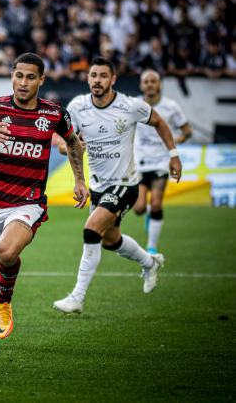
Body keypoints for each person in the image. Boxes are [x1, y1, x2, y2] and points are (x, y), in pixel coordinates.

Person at [0, 53, 89, 347]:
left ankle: (4, 303)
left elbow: (72, 142)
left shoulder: (54, 113)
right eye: (18, 75)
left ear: (41, 80)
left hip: (28, 201)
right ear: (12, 76)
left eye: (31, 77)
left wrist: (80, 180)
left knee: (6, 252)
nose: (23, 82)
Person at [53, 57, 182, 315]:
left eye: (102, 76)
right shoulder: (77, 106)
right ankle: (150, 262)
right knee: (110, 241)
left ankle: (77, 297)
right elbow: (60, 141)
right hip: (99, 186)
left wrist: (173, 154)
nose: (97, 80)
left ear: (113, 80)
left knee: (91, 231)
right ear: (87, 79)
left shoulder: (130, 105)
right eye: (93, 76)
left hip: (125, 184)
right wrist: (69, 144)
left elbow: (159, 122)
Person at [133, 70, 192, 254]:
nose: (150, 84)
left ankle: (151, 246)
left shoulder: (171, 106)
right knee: (139, 207)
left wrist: (172, 144)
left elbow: (187, 131)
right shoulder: (133, 105)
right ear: (141, 85)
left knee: (157, 203)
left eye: (153, 81)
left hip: (161, 162)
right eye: (146, 81)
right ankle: (148, 215)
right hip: (139, 161)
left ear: (159, 85)